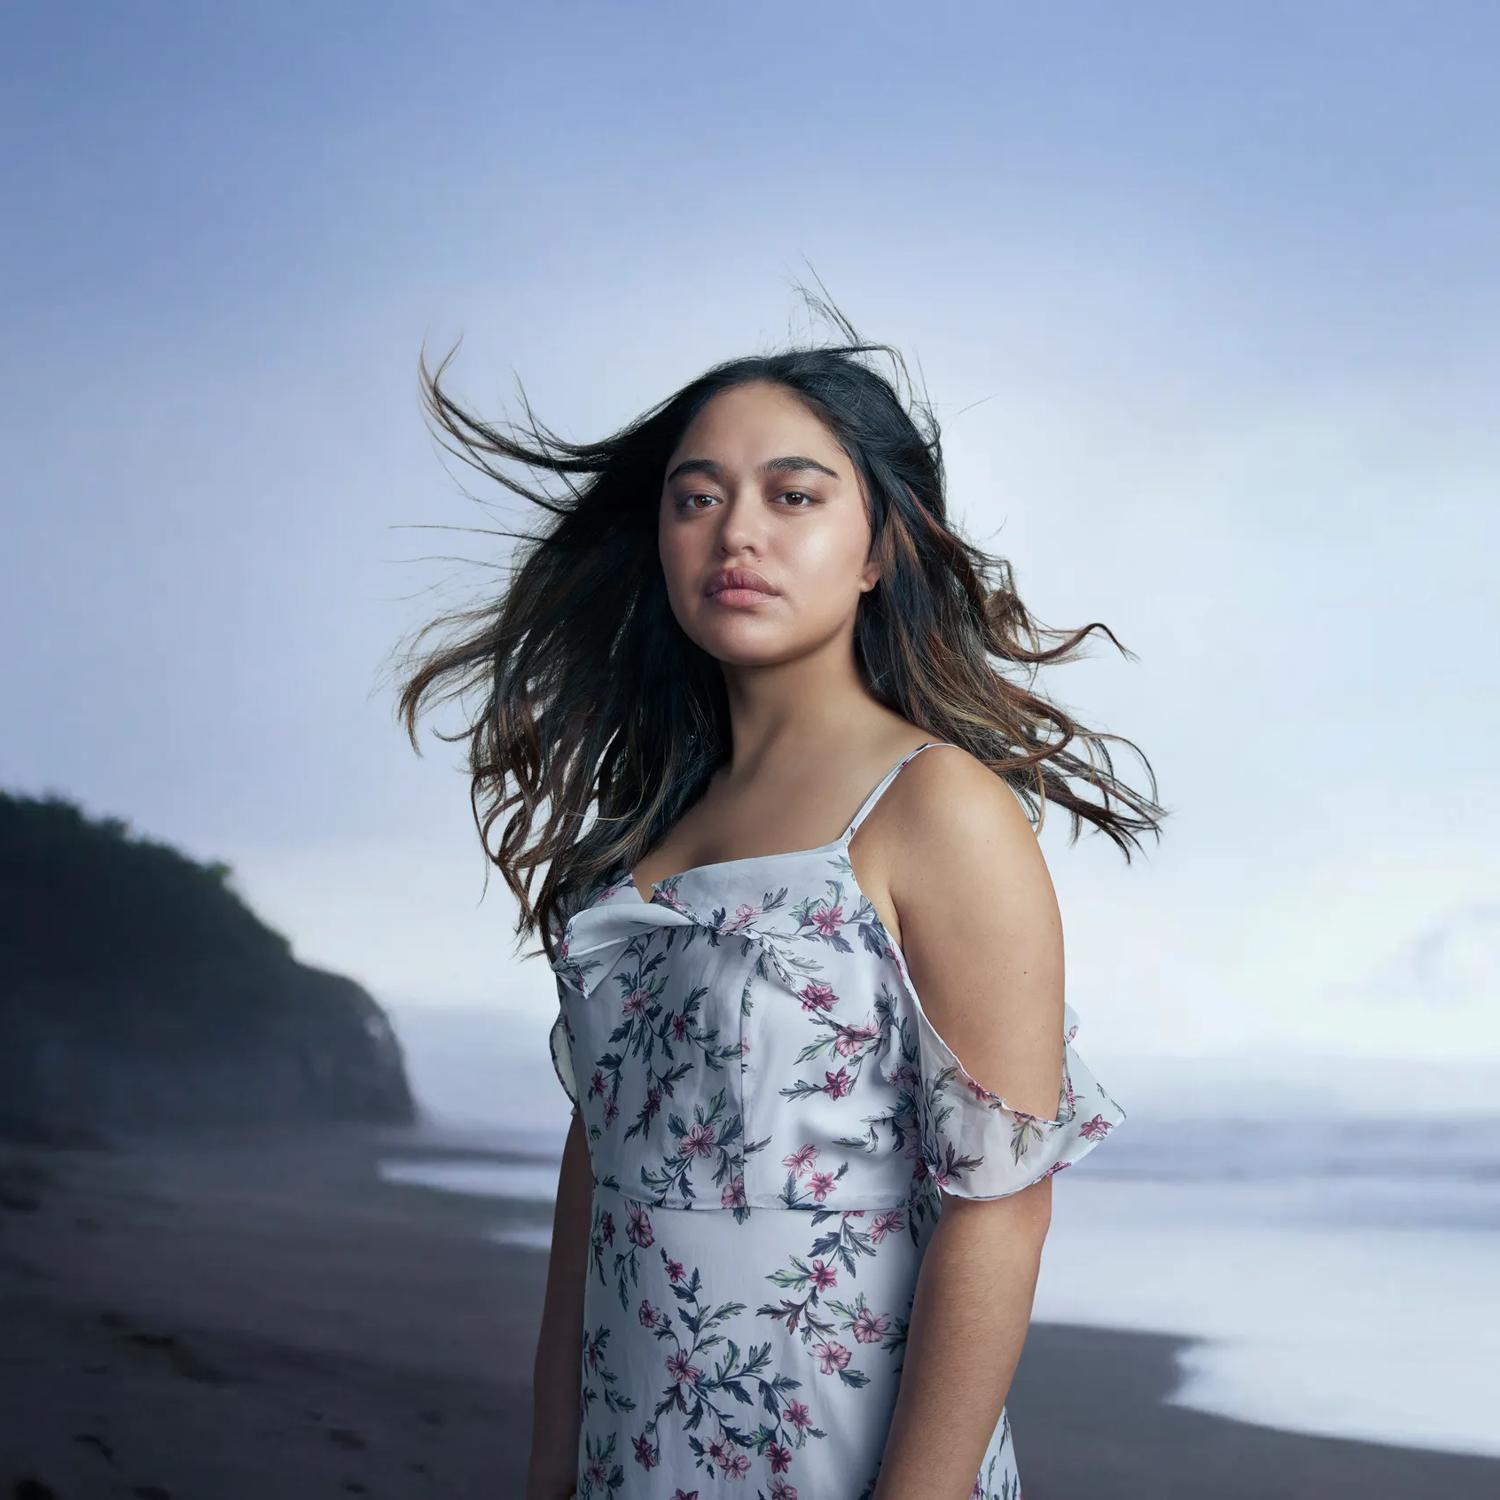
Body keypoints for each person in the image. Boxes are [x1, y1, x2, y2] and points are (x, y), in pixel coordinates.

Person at [396, 294, 1165, 1500]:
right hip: (629, 1451)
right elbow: (600, 1165)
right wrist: (554, 1460)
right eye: (696, 499)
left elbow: (1001, 1208)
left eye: (793, 496)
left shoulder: (936, 808)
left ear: (877, 551)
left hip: (836, 1455)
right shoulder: (641, 829)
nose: (735, 533)